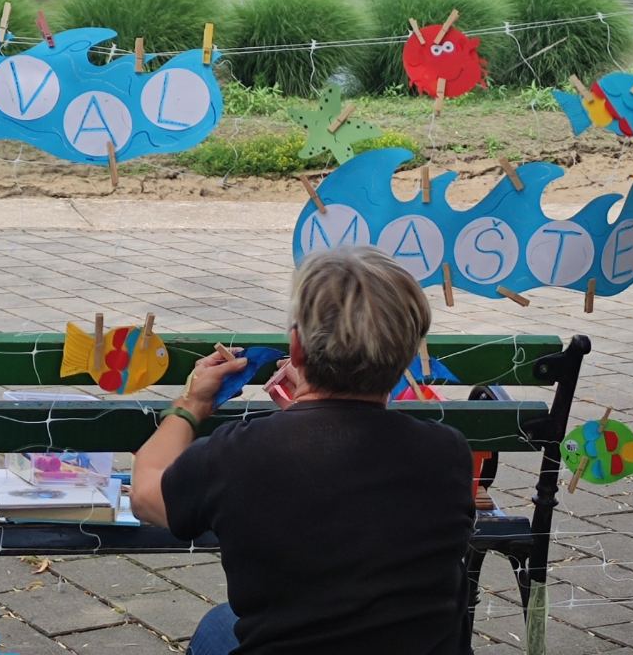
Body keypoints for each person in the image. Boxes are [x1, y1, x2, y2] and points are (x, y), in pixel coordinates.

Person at [131, 246, 476, 655]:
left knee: (217, 627)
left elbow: (145, 493)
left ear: (296, 348)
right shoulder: (446, 451)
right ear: (406, 355)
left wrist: (192, 405)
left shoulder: (238, 455)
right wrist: (307, 415)